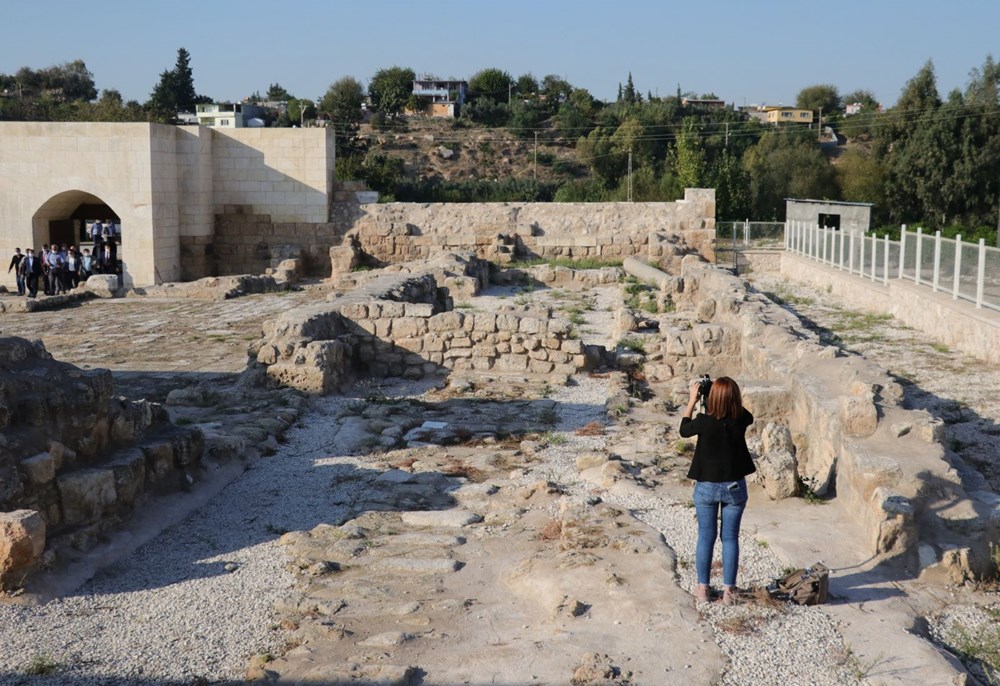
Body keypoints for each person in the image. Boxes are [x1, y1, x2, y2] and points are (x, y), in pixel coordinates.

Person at [679, 376, 755, 605]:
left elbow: (684, 429)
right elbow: (744, 413)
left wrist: (693, 400)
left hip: (706, 487)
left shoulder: (703, 421)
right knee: (730, 538)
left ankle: (703, 590)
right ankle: (729, 593)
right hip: (734, 487)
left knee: (706, 537)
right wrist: (725, 396)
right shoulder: (741, 418)